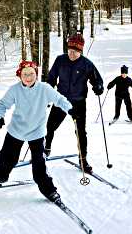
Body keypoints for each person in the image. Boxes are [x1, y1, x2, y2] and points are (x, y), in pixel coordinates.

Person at [0, 60, 73, 204]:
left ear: (35, 74)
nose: (28, 77)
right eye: (25, 74)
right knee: (7, 158)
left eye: (31, 73)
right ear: (20, 75)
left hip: (37, 132)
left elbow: (59, 99)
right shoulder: (15, 90)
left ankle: (49, 190)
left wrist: (70, 109)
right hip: (16, 130)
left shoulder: (45, 88)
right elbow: (2, 104)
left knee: (39, 164)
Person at [44, 32, 104, 173]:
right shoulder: (60, 60)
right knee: (50, 126)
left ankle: (83, 159)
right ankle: (46, 149)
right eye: (70, 51)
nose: (72, 54)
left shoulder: (86, 64)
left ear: (80, 51)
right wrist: (47, 94)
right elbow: (51, 79)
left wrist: (98, 87)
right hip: (60, 100)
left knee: (80, 132)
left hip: (78, 103)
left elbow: (97, 80)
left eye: (75, 52)